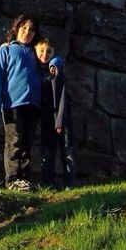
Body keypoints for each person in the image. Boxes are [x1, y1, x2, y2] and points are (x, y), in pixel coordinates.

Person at [0, 14, 42, 190]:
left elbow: (52, 58)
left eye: (31, 29)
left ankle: (24, 180)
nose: (27, 32)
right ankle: (12, 180)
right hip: (13, 105)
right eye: (24, 28)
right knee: (15, 141)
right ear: (17, 29)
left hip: (32, 105)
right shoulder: (7, 50)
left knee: (27, 143)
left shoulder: (36, 53)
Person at [35, 37, 75, 189]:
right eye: (42, 51)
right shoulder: (37, 71)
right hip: (46, 118)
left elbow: (62, 98)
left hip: (61, 117)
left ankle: (69, 185)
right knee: (47, 152)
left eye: (49, 51)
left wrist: (59, 121)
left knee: (67, 151)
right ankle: (47, 184)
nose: (45, 54)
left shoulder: (55, 70)